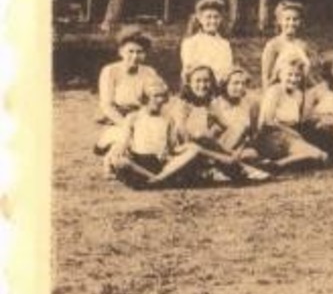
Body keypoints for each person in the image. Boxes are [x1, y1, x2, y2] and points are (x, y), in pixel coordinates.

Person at [104, 78, 210, 189]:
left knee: (194, 151)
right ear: (145, 97)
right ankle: (158, 179)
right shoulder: (133, 117)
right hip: (138, 162)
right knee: (120, 161)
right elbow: (124, 142)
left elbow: (172, 147)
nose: (160, 100)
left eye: (163, 96)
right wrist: (120, 151)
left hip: (159, 162)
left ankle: (156, 179)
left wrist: (187, 147)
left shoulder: (168, 119)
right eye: (155, 96)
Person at [169, 65, 269, 182]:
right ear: (189, 83)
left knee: (240, 134)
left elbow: (228, 127)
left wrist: (237, 146)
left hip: (207, 150)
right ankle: (238, 167)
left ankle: (224, 164)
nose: (202, 85)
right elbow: (181, 135)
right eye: (198, 81)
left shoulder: (210, 105)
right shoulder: (182, 105)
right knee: (202, 138)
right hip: (185, 151)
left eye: (206, 81)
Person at [94, 26, 162, 156]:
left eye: (139, 52)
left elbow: (157, 98)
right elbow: (106, 105)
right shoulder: (110, 71)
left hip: (141, 117)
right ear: (121, 52)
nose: (135, 56)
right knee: (123, 141)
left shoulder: (149, 72)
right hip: (116, 118)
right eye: (130, 51)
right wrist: (126, 125)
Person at [256, 58, 327, 170]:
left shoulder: (298, 94)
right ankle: (277, 165)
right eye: (289, 75)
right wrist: (293, 133)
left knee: (322, 156)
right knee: (317, 155)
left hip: (290, 135)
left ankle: (279, 163)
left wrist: (318, 119)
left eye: (297, 75)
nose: (293, 79)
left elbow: (299, 120)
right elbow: (268, 121)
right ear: (280, 75)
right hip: (273, 136)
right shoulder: (275, 91)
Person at [212, 66, 267, 170]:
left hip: (240, 148)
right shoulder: (215, 105)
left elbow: (253, 134)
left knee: (252, 153)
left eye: (243, 83)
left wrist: (241, 149)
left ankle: (231, 162)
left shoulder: (250, 104)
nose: (240, 87)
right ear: (225, 85)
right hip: (219, 147)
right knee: (238, 127)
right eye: (235, 83)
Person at [260, 0, 317, 89]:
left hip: (300, 92)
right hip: (279, 92)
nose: (291, 23)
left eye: (295, 19)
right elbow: (266, 76)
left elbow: (308, 76)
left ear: (300, 21)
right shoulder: (273, 45)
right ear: (279, 21)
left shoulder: (303, 45)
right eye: (287, 19)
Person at [180, 0, 233, 84]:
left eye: (216, 17)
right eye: (208, 17)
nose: (213, 21)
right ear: (200, 19)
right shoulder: (190, 43)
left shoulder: (225, 44)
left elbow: (228, 70)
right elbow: (189, 70)